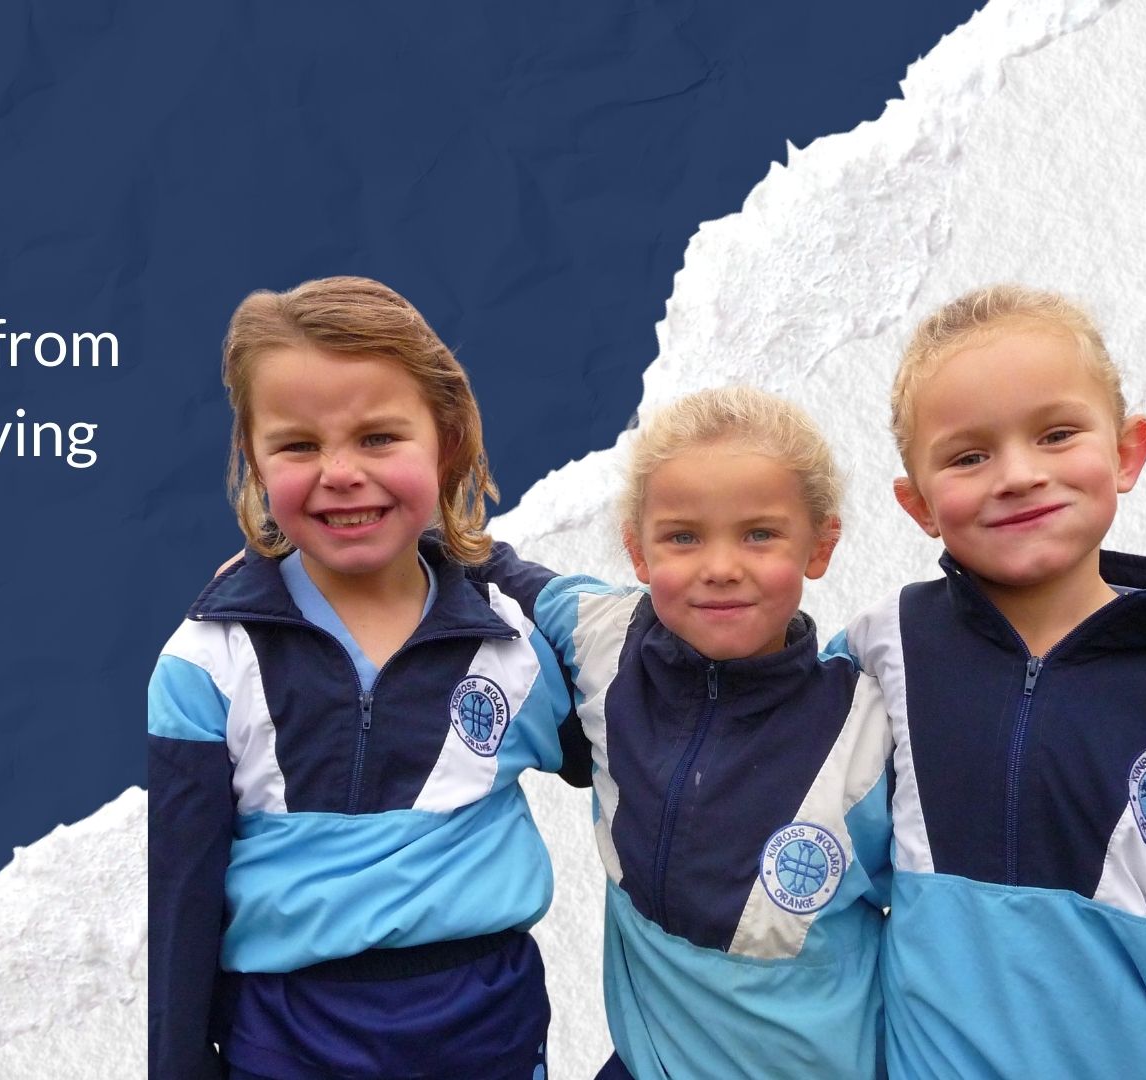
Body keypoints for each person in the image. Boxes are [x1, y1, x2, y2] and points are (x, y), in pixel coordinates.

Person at [147, 276, 589, 1079]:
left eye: (380, 437)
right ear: (254, 458)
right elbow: (182, 899)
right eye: (298, 445)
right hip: (285, 1042)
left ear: (446, 441)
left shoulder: (519, 641)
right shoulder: (207, 662)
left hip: (487, 1033)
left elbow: (654, 754)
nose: (341, 472)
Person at [481, 386, 892, 1079]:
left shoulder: (870, 733)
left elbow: (947, 940)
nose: (721, 567)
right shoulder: (604, 640)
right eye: (683, 537)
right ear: (637, 551)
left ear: (820, 545)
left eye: (759, 534)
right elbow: (488, 567)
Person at [839, 285, 1146, 1078]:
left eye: (1057, 434)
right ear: (918, 503)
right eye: (969, 456)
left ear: (1127, 452)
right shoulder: (883, 650)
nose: (1019, 475)